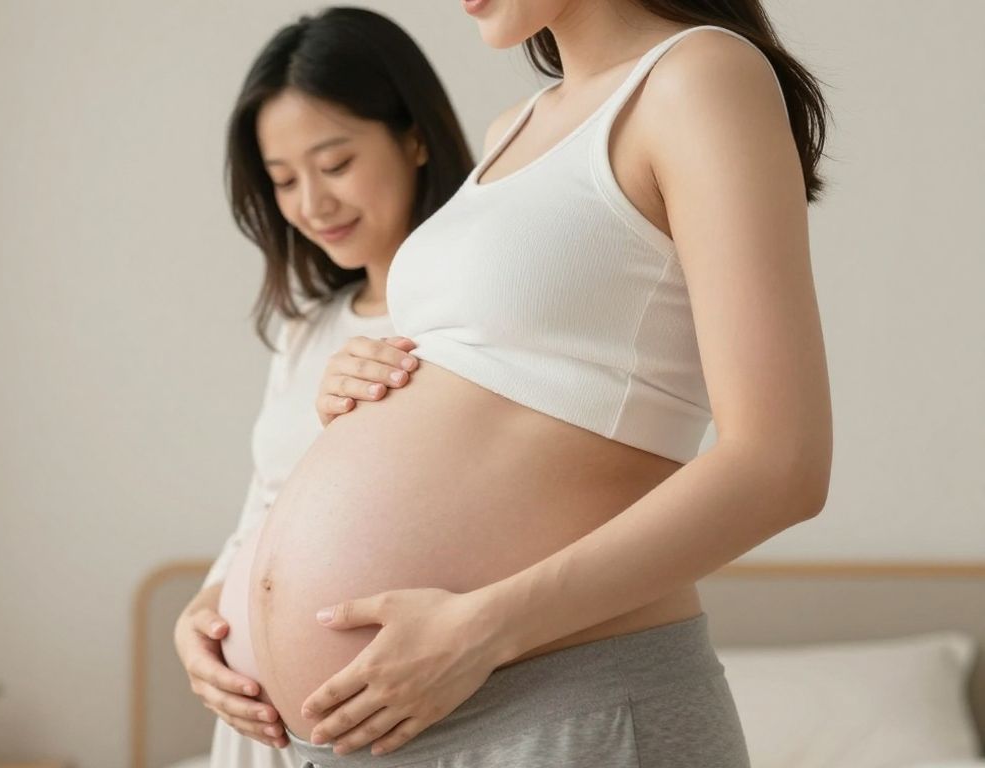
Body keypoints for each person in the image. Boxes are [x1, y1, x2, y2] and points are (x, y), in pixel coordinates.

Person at [226, 0, 835, 766]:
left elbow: (780, 465)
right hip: (389, 730)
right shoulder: (513, 128)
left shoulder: (696, 77)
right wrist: (362, 385)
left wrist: (485, 627)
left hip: (561, 705)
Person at [171, 8, 475, 767]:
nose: (311, 204)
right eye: (283, 181)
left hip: (388, 720)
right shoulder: (308, 328)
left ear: (413, 136)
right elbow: (263, 506)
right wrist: (202, 615)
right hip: (259, 731)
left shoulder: (473, 309)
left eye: (335, 164)